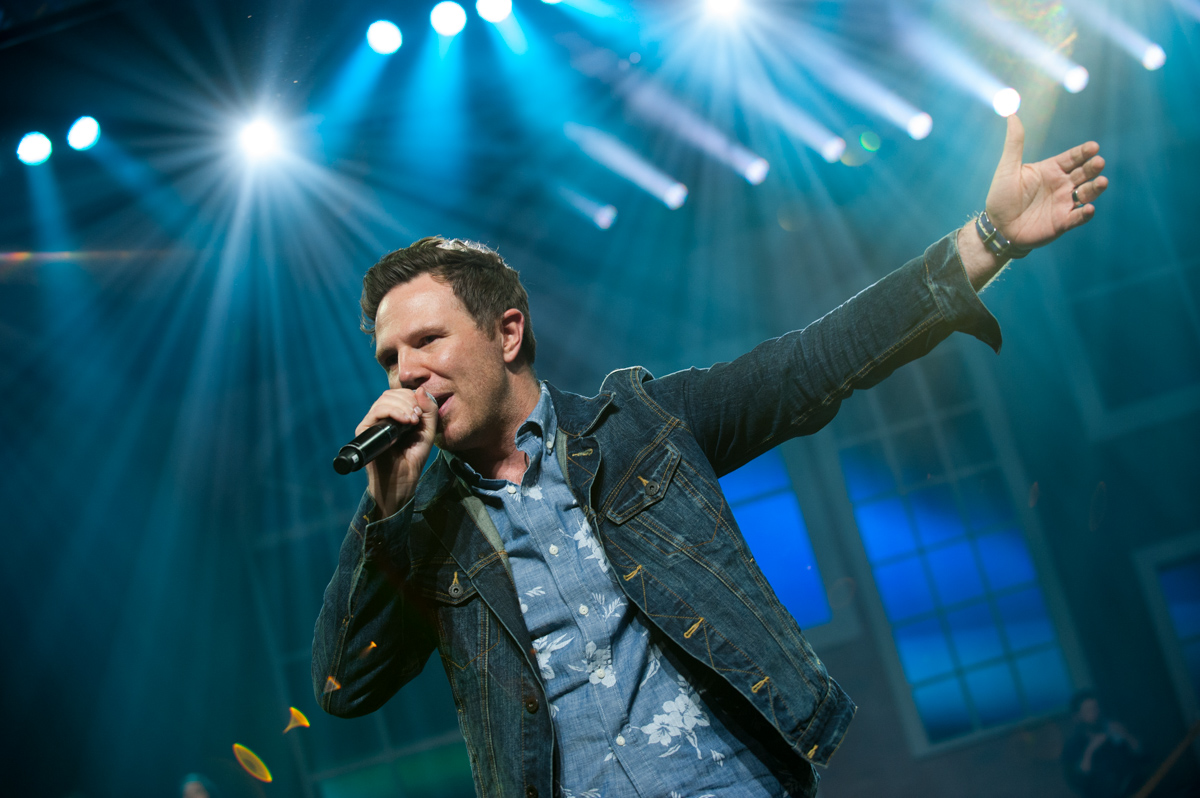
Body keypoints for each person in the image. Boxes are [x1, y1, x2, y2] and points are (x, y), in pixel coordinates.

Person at [313, 115, 1107, 798]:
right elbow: (344, 684)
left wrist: (987, 241)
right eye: (389, 358)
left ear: (507, 333)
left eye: (427, 340)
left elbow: (812, 364)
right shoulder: (421, 530)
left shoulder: (642, 425)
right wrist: (386, 510)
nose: (405, 372)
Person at [1062, 691, 1148, 798]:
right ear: (1077, 717)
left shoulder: (1111, 729)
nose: (1095, 713)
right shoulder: (1072, 747)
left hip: (1139, 787)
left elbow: (1143, 755)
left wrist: (1126, 734)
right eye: (1088, 710)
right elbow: (1079, 781)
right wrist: (1090, 750)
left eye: (1096, 708)